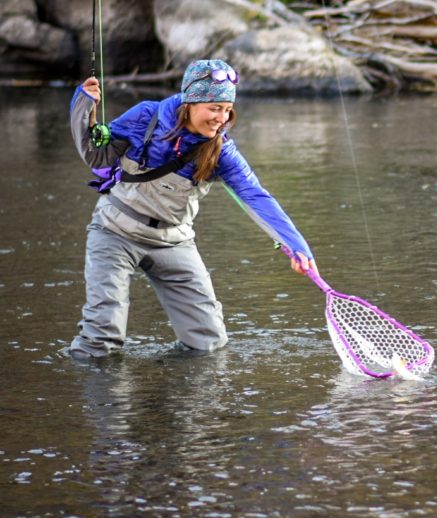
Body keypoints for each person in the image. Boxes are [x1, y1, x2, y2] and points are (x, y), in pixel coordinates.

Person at [67, 59, 317, 359]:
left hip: (174, 241)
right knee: (101, 338)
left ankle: (181, 386)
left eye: (227, 110)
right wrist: (84, 105)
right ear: (190, 103)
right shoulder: (146, 116)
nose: (221, 118)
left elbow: (255, 195)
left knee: (208, 343)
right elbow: (97, 156)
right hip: (114, 232)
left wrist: (296, 245)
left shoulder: (222, 150)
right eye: (215, 108)